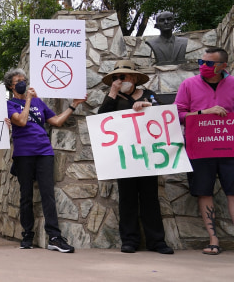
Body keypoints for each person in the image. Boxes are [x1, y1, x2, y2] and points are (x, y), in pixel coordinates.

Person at [5, 68, 85, 253]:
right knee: (26, 195)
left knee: (48, 194)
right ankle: (27, 235)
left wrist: (73, 105)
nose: (23, 82)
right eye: (19, 80)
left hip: (44, 152)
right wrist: (28, 101)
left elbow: (56, 121)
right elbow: (22, 121)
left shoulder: (39, 102)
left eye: (24, 79)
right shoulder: (9, 104)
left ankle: (54, 237)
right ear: (11, 84)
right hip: (24, 154)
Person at [99, 60, 174, 254]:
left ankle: (156, 241)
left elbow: (162, 114)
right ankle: (130, 240)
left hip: (148, 156)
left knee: (150, 198)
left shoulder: (149, 95)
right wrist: (113, 93)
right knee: (127, 199)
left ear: (133, 78)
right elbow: (101, 119)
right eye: (115, 77)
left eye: (122, 77)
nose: (119, 80)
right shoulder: (113, 98)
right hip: (126, 158)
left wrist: (148, 105)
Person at [174, 48, 234, 255]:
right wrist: (203, 113)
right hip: (199, 148)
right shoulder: (188, 84)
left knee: (233, 192)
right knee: (204, 192)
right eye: (201, 61)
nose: (203, 66)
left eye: (209, 63)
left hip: (229, 148)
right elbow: (178, 114)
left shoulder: (233, 83)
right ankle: (213, 240)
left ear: (223, 66)